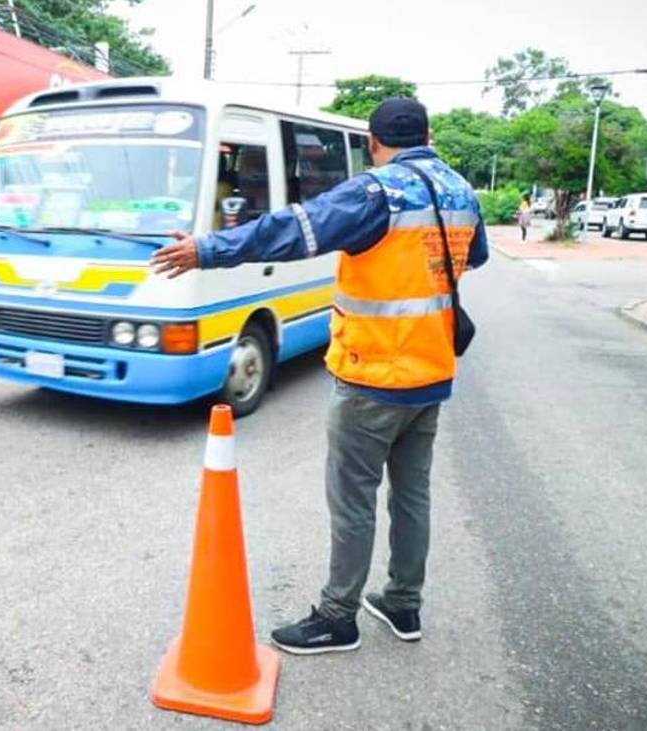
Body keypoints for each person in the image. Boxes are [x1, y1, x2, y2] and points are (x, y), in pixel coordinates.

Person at [151, 98, 489, 655]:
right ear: (427, 134)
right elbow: (472, 257)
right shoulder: (460, 192)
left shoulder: (376, 191)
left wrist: (207, 249)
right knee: (411, 495)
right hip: (431, 372)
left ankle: (338, 617)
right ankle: (404, 604)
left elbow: (291, 231)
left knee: (354, 499)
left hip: (371, 375)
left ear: (376, 144)